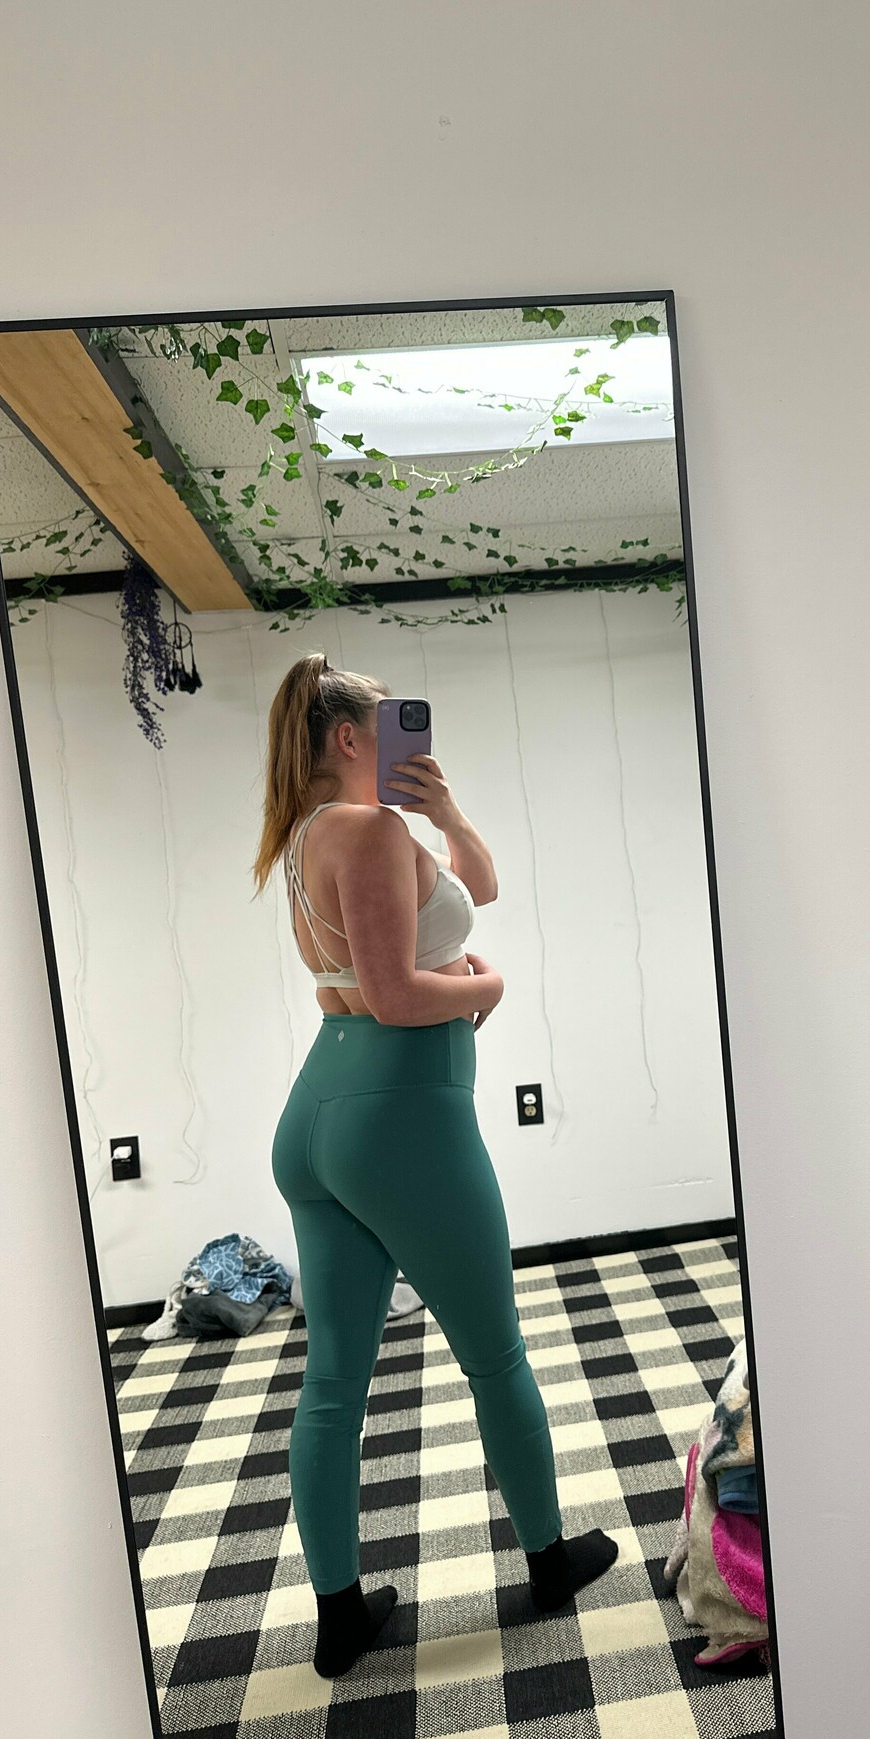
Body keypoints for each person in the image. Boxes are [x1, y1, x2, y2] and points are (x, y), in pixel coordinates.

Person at [253, 651, 618, 1677]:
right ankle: (548, 1561)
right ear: (347, 738)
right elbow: (398, 996)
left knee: (333, 1379)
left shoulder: (314, 836)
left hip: (320, 1111)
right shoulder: (367, 831)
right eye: (388, 724)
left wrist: (446, 810)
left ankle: (341, 1615)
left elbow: (479, 888)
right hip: (400, 1113)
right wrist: (487, 988)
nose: (406, 738)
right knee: (494, 1353)